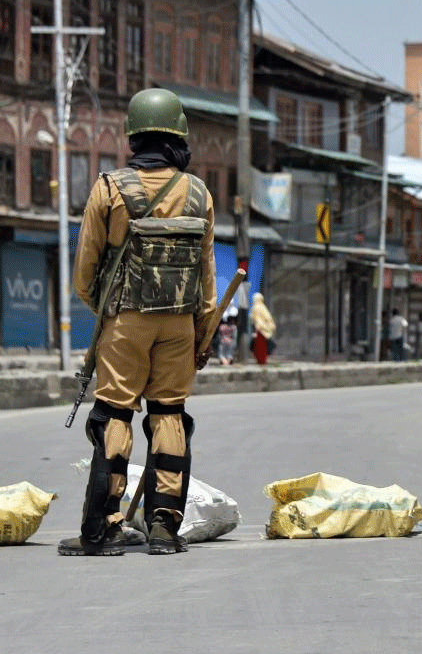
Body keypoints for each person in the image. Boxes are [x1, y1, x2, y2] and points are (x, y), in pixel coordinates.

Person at [60, 87, 216, 557]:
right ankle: (165, 526)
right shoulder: (199, 193)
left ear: (134, 137)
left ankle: (105, 528)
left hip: (126, 321)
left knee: (115, 415)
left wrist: (110, 313)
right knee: (168, 414)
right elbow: (207, 283)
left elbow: (85, 273)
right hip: (180, 324)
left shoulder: (110, 189)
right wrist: (201, 338)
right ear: (178, 135)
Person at [250, 292, 276, 365]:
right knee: (263, 346)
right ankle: (263, 360)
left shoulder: (255, 307)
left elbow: (254, 319)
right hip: (265, 330)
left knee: (259, 347)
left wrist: (255, 329)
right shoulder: (263, 307)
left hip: (259, 329)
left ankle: (260, 361)